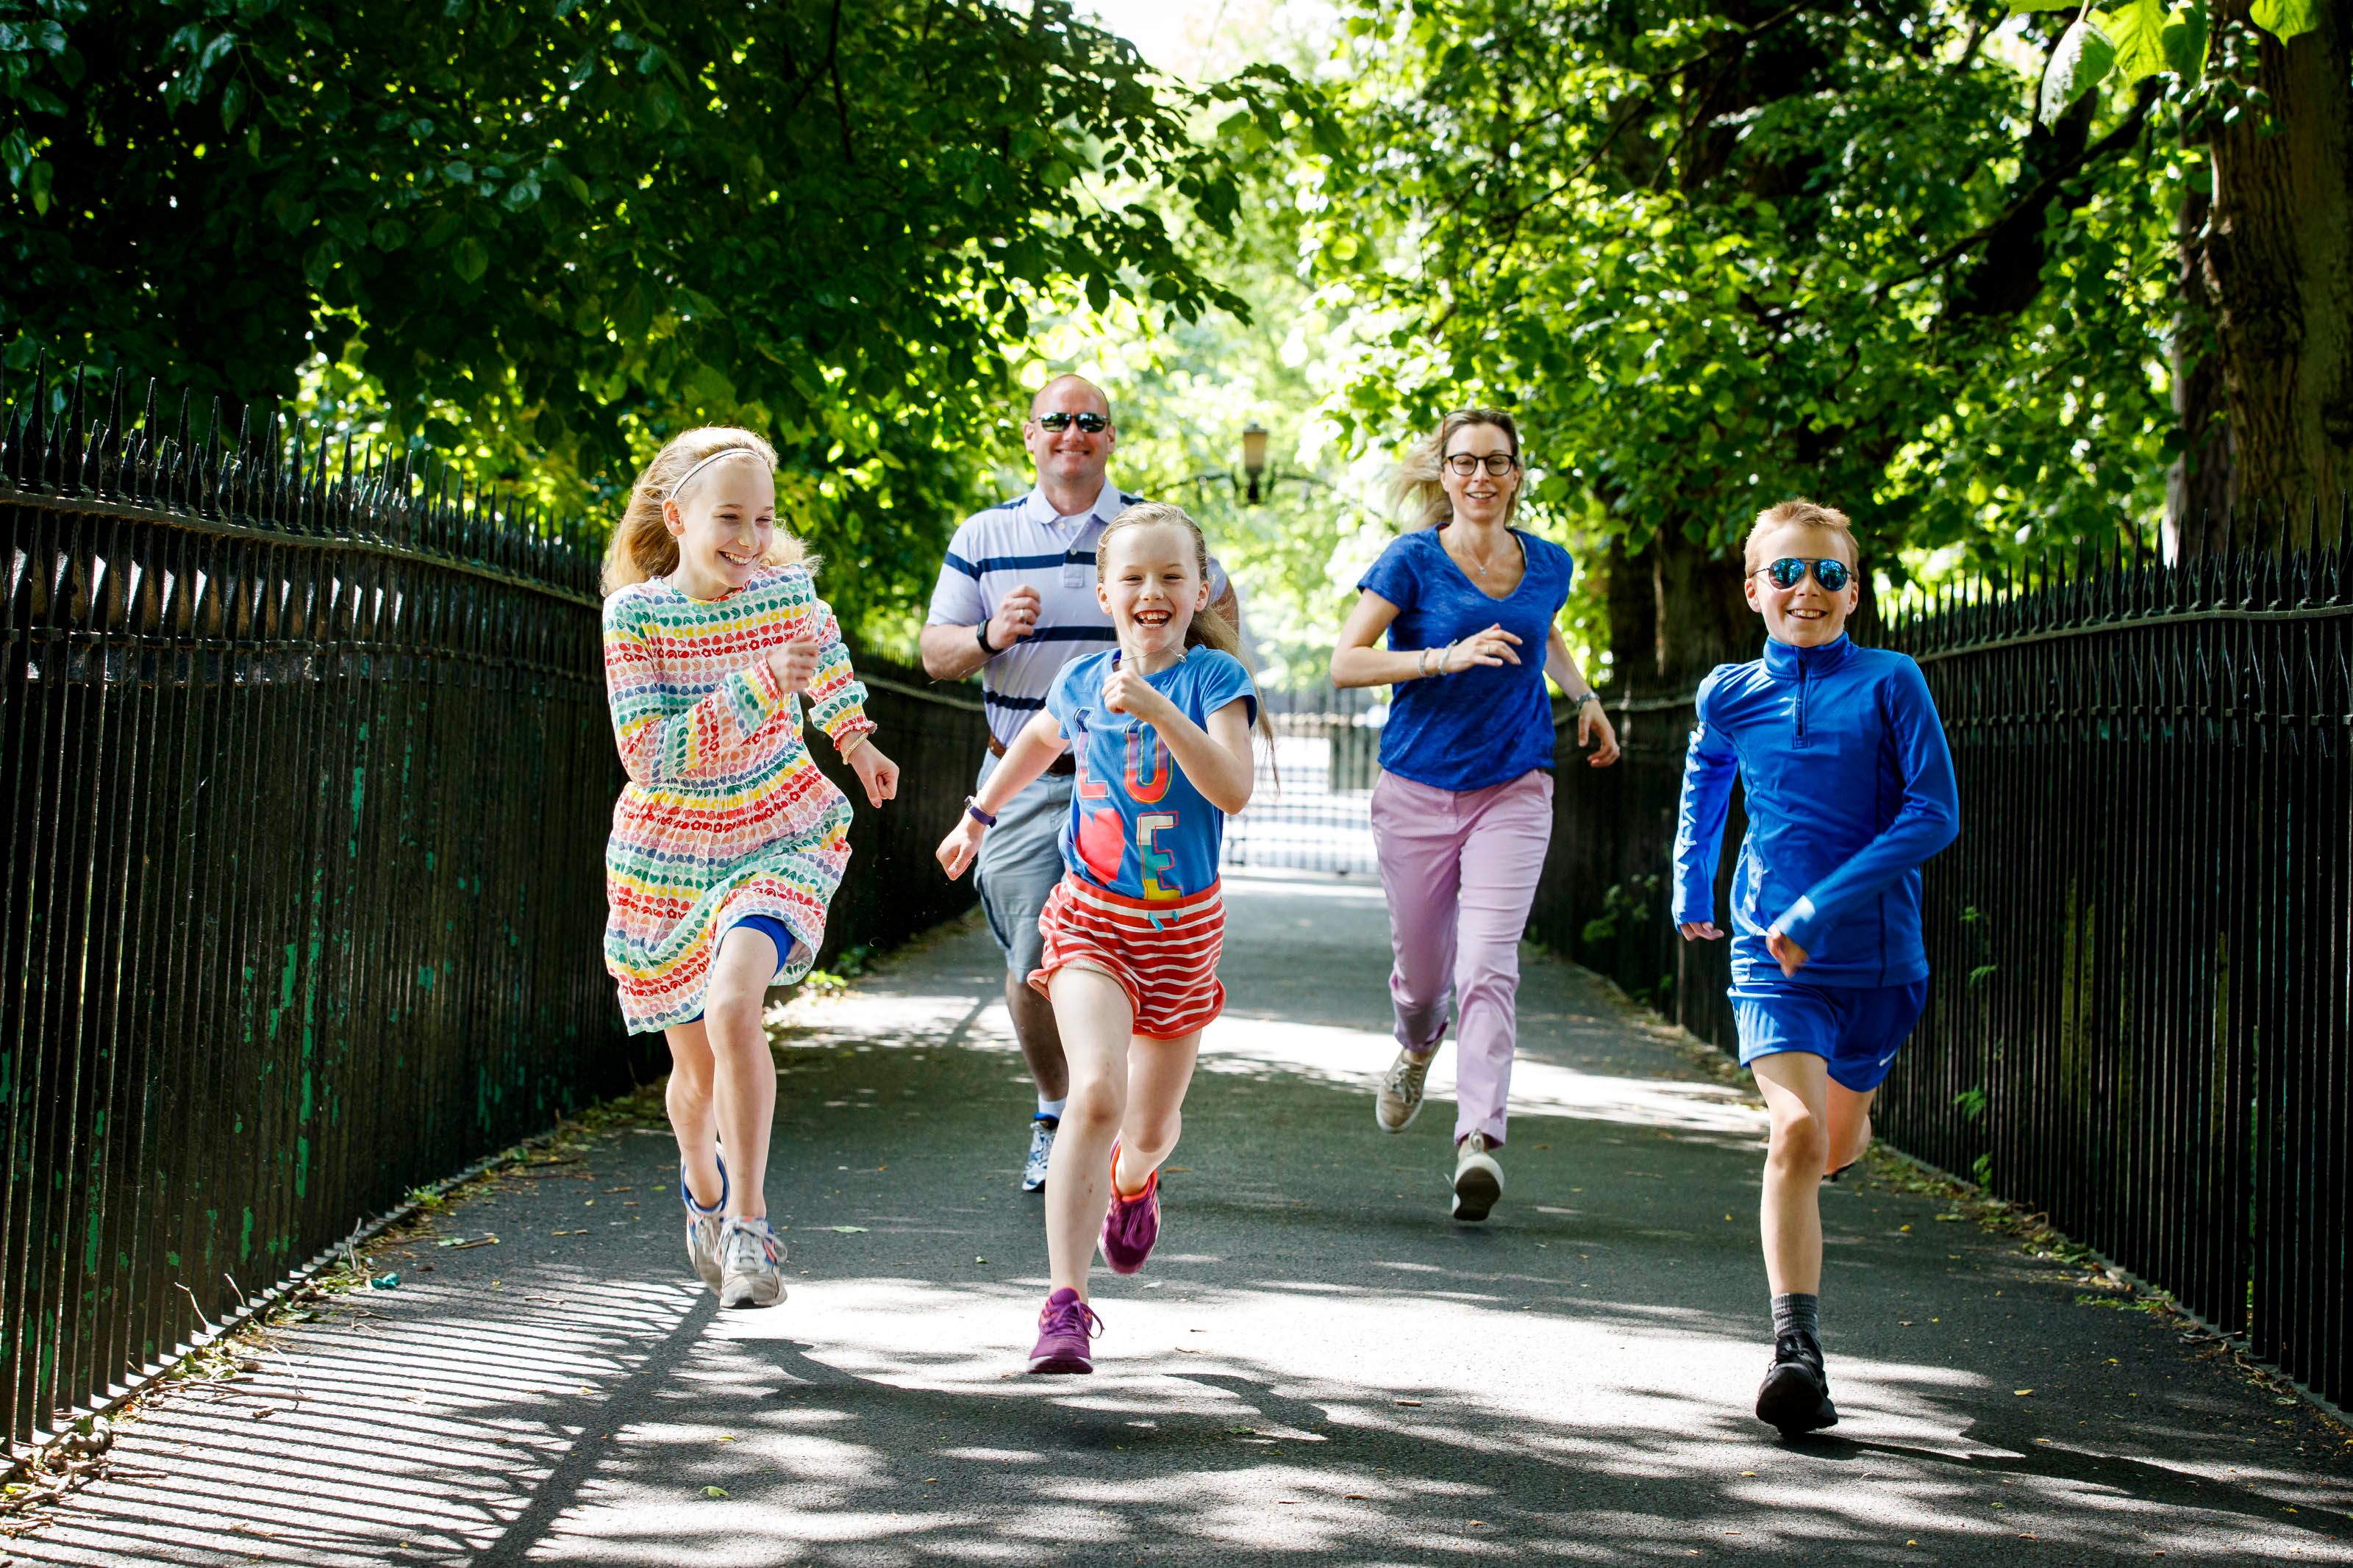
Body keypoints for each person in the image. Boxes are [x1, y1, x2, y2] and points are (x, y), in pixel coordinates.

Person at [935, 502, 1260, 1375]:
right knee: (1096, 1096)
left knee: (1149, 1128)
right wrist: (977, 817)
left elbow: (1231, 789)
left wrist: (1159, 710)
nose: (1150, 592)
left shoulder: (1214, 684)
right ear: (1108, 593)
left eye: (1168, 578)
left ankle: (1134, 1180)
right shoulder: (1080, 681)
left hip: (1182, 935)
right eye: (1133, 578)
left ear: (1197, 592)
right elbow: (1035, 743)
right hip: (1092, 921)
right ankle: (1064, 1306)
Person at [1671, 498, 1959, 1435]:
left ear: (1853, 590)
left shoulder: (1890, 682)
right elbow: (1704, 781)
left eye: (1827, 574)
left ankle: (1847, 1134)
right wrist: (1692, 887)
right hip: (1769, 954)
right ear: (1753, 588)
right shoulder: (1727, 690)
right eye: (1786, 572)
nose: (1807, 590)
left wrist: (1819, 905)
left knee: (1836, 1144)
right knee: (1792, 1135)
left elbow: (1931, 815)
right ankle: (1795, 1353)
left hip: (1878, 965)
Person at [601, 428, 901, 1310]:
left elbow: (827, 660)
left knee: (737, 1005)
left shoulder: (786, 592)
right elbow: (647, 756)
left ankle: (749, 1227)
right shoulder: (637, 616)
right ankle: (702, 1182)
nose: (748, 539)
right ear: (678, 517)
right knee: (693, 1078)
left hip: (778, 827)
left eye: (763, 520)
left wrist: (851, 739)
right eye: (729, 518)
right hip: (670, 860)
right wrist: (760, 686)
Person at [921, 376, 1240, 1193]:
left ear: (1109, 436)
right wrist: (989, 635)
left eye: (1089, 420)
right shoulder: (985, 535)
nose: (1072, 432)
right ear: (1029, 435)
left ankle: (1119, 1128)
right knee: (1037, 951)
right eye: (1055, 420)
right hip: (1026, 772)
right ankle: (1059, 1109)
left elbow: (1220, 618)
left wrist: (1192, 684)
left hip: (1145, 785)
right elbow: (934, 655)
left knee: (1131, 954)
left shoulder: (1147, 534)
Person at [1330, 407, 1619, 1222]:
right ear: (1445, 474)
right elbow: (1345, 662)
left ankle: (1477, 1143)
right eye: (1465, 463)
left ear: (1517, 474)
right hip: (1417, 788)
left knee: (1487, 966)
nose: (1481, 477)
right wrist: (1440, 658)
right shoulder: (1412, 561)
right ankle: (1416, 1045)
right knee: (1425, 981)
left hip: (1513, 785)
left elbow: (1546, 634)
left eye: (1496, 463)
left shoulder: (1547, 563)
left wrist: (1584, 698)